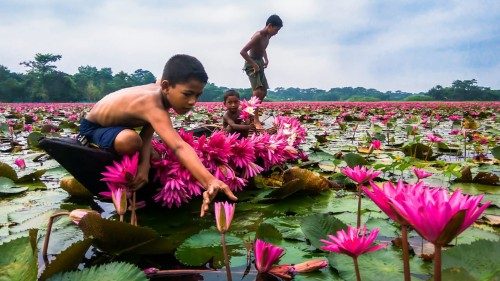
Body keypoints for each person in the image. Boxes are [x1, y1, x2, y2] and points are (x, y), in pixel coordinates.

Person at [79, 54, 237, 217]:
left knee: (152, 155)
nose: (192, 102)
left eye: (197, 95)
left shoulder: (163, 86)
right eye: (187, 94)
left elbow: (149, 126)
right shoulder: (151, 103)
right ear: (166, 86)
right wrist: (209, 180)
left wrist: (145, 164)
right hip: (93, 128)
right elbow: (178, 146)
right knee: (131, 141)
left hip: (119, 125)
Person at [240, 14, 283, 129]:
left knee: (263, 92)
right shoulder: (258, 36)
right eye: (276, 29)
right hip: (251, 64)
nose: (277, 33)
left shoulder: (268, 36)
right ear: (269, 25)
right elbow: (243, 52)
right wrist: (253, 64)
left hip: (259, 63)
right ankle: (255, 120)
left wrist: (266, 59)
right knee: (258, 91)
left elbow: (263, 48)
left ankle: (248, 111)